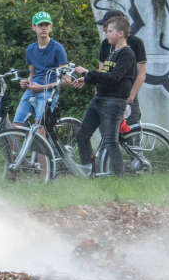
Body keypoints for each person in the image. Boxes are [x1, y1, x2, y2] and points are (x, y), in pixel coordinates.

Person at [73, 16, 136, 176]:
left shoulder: (126, 53)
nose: (106, 34)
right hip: (99, 99)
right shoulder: (112, 52)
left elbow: (115, 77)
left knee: (110, 142)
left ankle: (119, 181)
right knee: (82, 135)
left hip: (114, 101)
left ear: (120, 33)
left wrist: (89, 72)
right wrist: (87, 79)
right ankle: (89, 173)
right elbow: (104, 76)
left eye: (110, 31)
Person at [12, 11, 70, 178]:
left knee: (39, 129)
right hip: (32, 90)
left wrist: (42, 87)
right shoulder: (30, 49)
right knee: (15, 128)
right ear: (34, 28)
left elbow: (65, 80)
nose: (43, 28)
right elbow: (32, 75)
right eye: (40, 25)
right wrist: (26, 82)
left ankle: (45, 174)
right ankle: (13, 171)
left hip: (48, 92)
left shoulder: (58, 48)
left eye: (46, 25)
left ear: (51, 27)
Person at [96, 10, 146, 126]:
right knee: (108, 129)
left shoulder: (135, 43)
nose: (104, 29)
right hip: (107, 94)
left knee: (131, 128)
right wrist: (98, 92)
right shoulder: (105, 44)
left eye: (106, 26)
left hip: (125, 94)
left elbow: (141, 74)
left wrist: (131, 96)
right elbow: (101, 71)